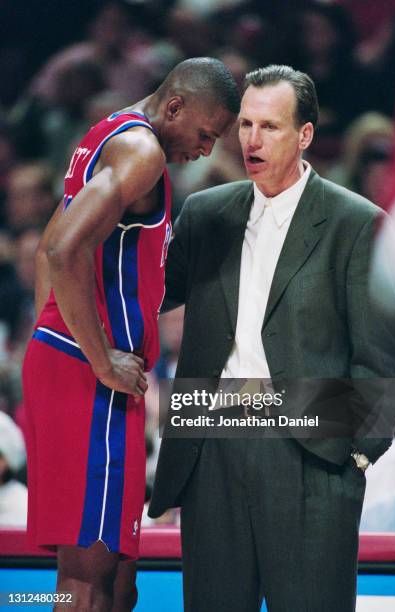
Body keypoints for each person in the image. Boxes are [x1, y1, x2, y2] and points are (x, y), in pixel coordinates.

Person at [149, 65, 395, 611]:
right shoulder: (204, 213)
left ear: (305, 134)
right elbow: (148, 298)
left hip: (312, 455)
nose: (252, 140)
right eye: (244, 124)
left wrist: (353, 461)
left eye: (269, 126)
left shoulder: (356, 223)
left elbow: (383, 364)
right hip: (211, 441)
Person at [22, 57, 239, 611]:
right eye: (204, 134)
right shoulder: (141, 152)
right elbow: (60, 249)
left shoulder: (109, 134)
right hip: (92, 377)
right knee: (86, 577)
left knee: (119, 581)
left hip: (86, 369)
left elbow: (55, 233)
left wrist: (51, 336)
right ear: (174, 107)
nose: (206, 151)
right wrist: (95, 359)